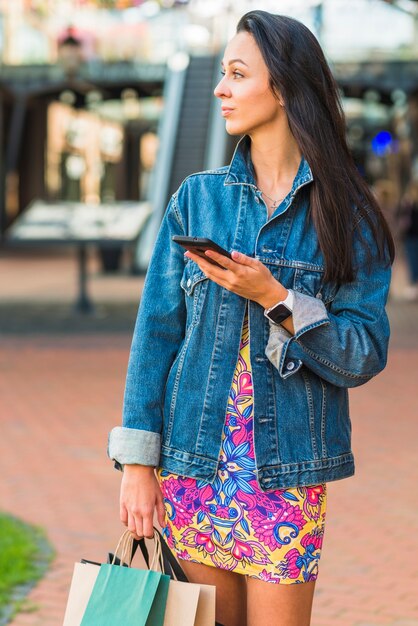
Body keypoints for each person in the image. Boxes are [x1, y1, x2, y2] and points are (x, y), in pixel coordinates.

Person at [108, 10, 394, 626]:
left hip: (287, 475)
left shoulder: (349, 216)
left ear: (286, 88)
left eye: (238, 75)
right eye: (221, 74)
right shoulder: (196, 198)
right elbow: (156, 336)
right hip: (193, 467)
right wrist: (137, 463)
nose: (221, 89)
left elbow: (365, 349)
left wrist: (278, 299)